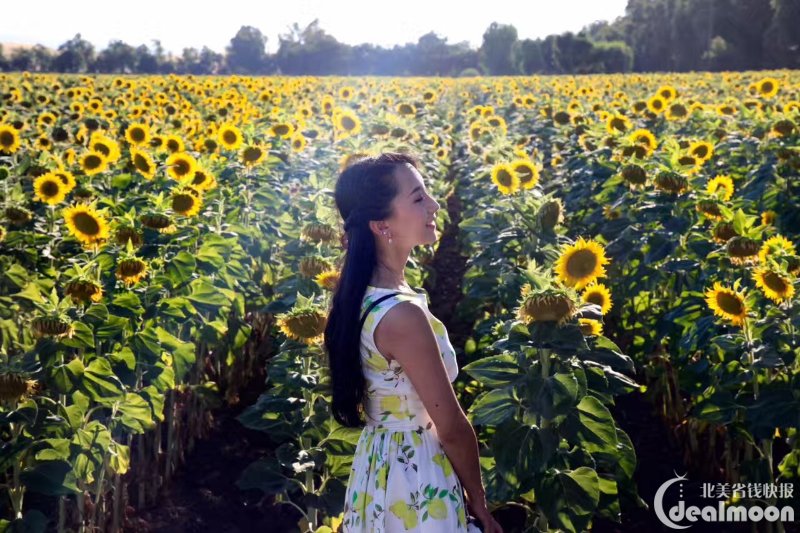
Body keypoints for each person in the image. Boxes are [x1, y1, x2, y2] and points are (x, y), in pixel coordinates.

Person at [324, 152, 503, 533]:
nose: (435, 205)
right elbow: (451, 425)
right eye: (419, 198)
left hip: (378, 466)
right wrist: (479, 501)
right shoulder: (402, 316)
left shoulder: (361, 296)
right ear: (381, 225)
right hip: (416, 474)